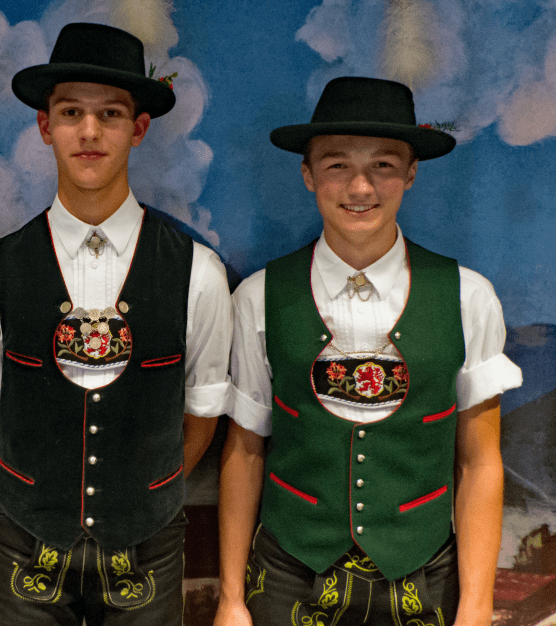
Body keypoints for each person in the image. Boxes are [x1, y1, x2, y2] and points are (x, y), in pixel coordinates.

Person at [214, 77, 522, 626]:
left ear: (411, 173)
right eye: (338, 165)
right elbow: (245, 450)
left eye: (382, 165)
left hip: (425, 581)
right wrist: (231, 598)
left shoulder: (469, 298)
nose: (360, 187)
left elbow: (479, 462)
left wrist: (476, 605)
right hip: (288, 577)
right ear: (308, 174)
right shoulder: (258, 297)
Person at [0, 22, 232, 626]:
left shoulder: (199, 274)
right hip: (26, 538)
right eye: (70, 112)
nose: (88, 131)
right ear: (44, 125)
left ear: (139, 128)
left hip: (149, 543)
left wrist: (140, 494)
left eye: (109, 113)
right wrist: (45, 489)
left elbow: (201, 419)